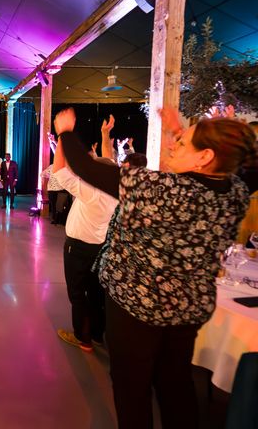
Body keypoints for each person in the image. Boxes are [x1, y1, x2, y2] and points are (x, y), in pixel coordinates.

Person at [54, 107, 256, 429]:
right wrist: (180, 132)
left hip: (137, 307)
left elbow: (86, 169)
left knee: (131, 388)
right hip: (186, 308)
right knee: (175, 382)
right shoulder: (235, 192)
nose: (173, 145)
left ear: (204, 156)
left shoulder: (160, 190)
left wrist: (64, 131)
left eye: (182, 143)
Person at [52, 141, 119, 353]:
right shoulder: (115, 192)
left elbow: (59, 173)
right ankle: (98, 335)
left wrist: (62, 139)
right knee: (96, 293)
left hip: (77, 249)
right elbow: (109, 162)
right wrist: (105, 134)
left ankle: (83, 338)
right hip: (98, 248)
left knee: (78, 294)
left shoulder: (91, 192)